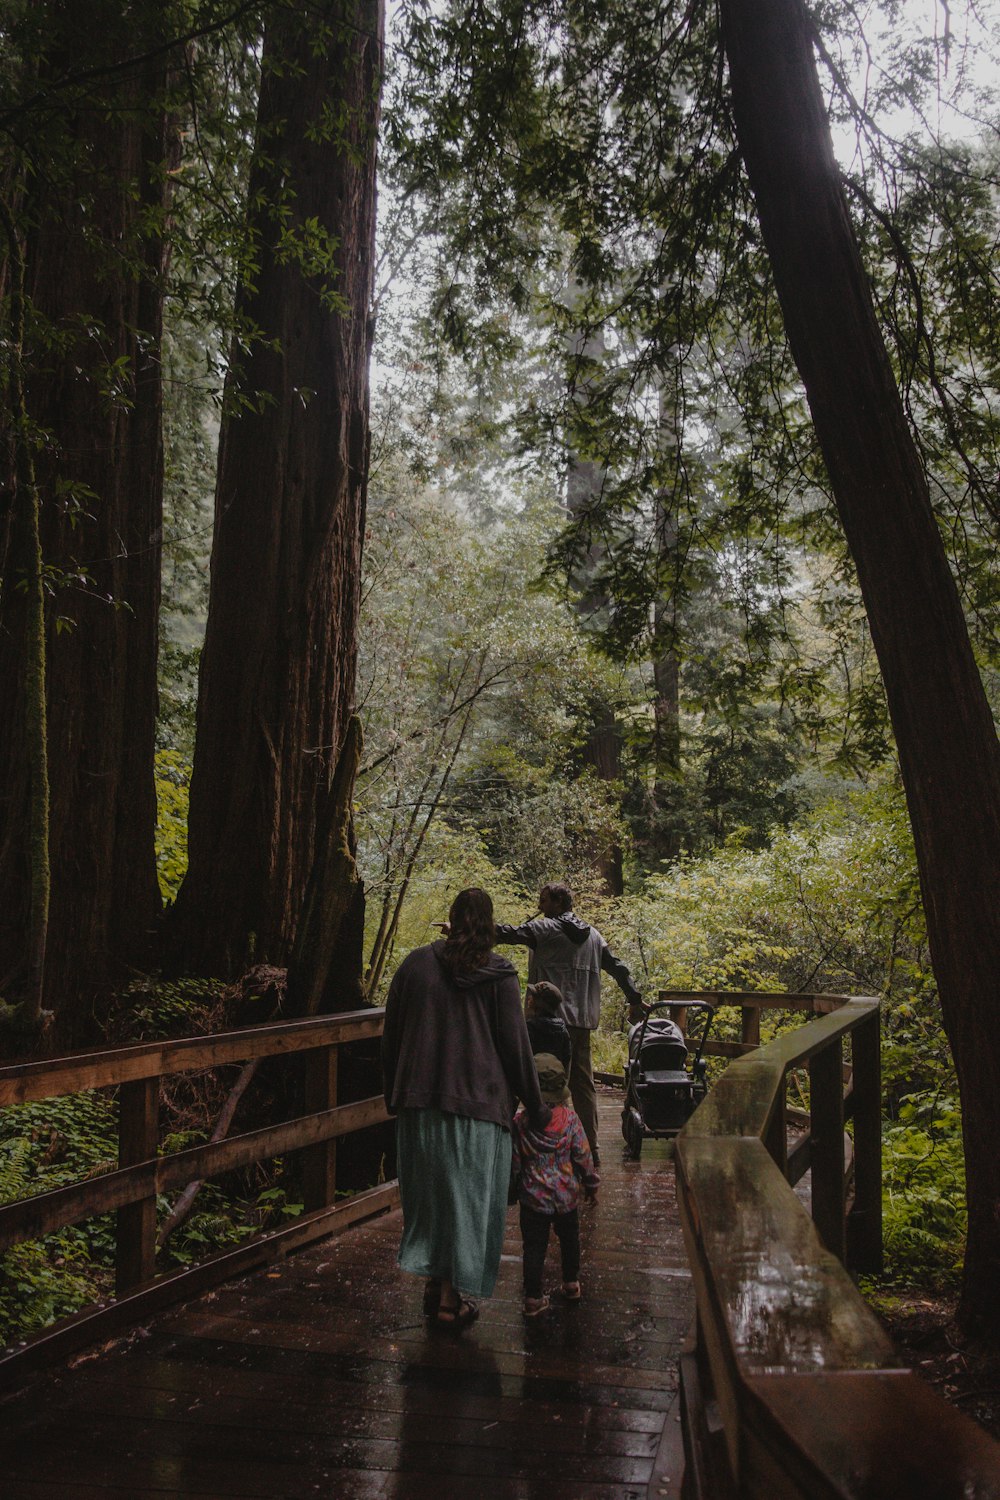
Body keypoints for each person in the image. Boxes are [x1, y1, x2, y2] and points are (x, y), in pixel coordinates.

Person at [381, 887, 550, 1332]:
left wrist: (392, 1093)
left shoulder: (416, 965)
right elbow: (517, 1049)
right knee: (467, 1205)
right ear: (491, 926)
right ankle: (451, 1300)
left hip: (419, 1105)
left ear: (452, 920)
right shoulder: (499, 976)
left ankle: (436, 1286)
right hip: (478, 1108)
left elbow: (392, 1034)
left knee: (435, 1201)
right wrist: (536, 1106)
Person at [495, 883, 642, 1165]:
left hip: (546, 1024)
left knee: (540, 1081)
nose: (539, 904)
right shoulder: (594, 937)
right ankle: (592, 1147)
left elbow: (508, 933)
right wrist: (634, 998)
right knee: (582, 1084)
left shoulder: (545, 930)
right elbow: (618, 967)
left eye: (543, 900)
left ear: (558, 903)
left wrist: (465, 929)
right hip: (582, 1023)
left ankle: (540, 1145)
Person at [511, 1053, 600, 1318]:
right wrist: (591, 1183)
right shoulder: (571, 1120)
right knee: (570, 1240)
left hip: (532, 1198)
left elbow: (515, 1160)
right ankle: (571, 1283)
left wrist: (513, 1188)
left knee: (534, 1247)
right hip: (566, 1196)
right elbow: (583, 1155)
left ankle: (532, 1298)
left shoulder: (521, 1123)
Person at [525, 981, 571, 1069]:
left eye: (533, 996)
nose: (529, 998)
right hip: (554, 1078)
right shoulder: (562, 1029)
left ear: (540, 1003)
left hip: (533, 1078)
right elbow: (566, 1057)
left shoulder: (529, 1027)